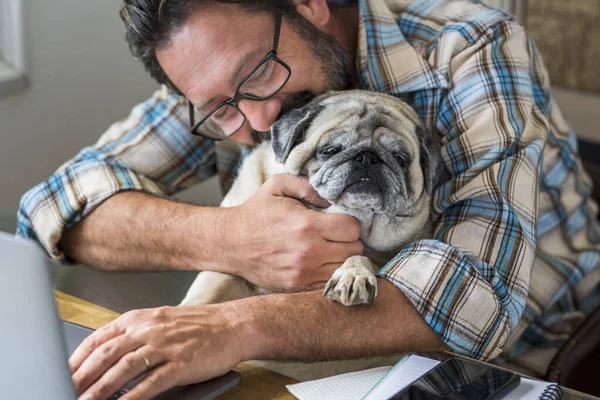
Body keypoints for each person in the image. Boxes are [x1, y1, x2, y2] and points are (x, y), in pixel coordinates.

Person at [17, 0, 600, 399]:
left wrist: (232, 327)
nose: (259, 116)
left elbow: (479, 301)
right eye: (223, 107)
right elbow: (50, 206)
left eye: (262, 73)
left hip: (534, 352)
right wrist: (231, 237)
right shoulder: (222, 78)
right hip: (318, 355)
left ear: (311, 4)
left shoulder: (473, 47)